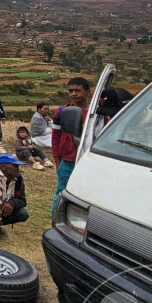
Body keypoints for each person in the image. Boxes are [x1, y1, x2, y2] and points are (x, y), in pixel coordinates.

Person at [51, 77, 90, 214]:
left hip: (87, 159)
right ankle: (55, 220)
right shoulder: (61, 111)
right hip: (67, 160)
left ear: (87, 91)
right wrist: (57, 159)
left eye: (77, 90)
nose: (73, 94)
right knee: (61, 191)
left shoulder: (95, 113)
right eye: (70, 91)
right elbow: (55, 136)